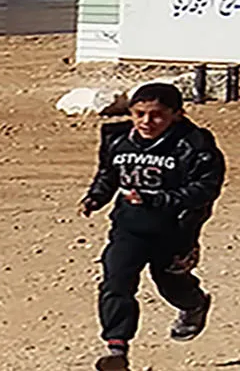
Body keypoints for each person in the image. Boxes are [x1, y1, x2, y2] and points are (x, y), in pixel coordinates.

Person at [81, 83, 224, 371]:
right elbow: (109, 173)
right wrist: (96, 197)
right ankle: (117, 348)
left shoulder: (195, 144)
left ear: (177, 114)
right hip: (129, 228)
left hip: (175, 230)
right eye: (140, 114)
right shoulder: (117, 138)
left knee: (170, 283)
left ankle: (193, 304)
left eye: (157, 115)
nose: (147, 122)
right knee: (115, 282)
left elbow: (205, 188)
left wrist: (158, 199)